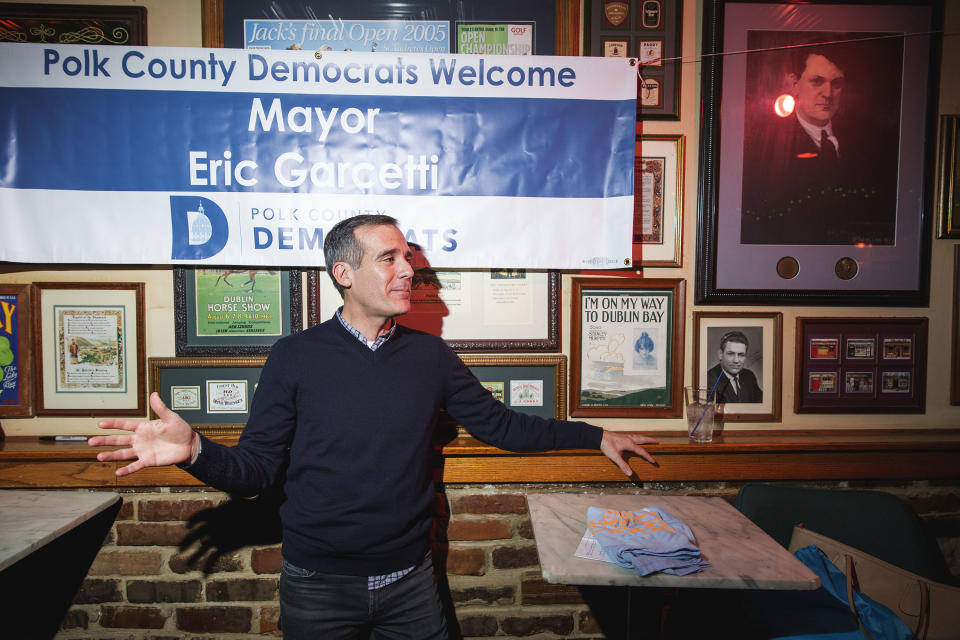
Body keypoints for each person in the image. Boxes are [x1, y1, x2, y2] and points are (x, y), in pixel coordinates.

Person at [89, 214, 659, 640]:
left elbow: (503, 427)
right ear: (345, 272)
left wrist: (595, 434)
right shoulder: (295, 356)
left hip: (412, 585)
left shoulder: (430, 356)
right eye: (389, 258)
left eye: (407, 257)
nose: (408, 269)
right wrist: (195, 451)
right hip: (318, 589)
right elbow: (255, 470)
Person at [740, 45, 897, 245]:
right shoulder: (763, 145)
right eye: (817, 82)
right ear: (794, 84)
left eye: (837, 84)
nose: (828, 94)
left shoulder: (872, 141)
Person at [706, 330, 762, 403]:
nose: (736, 360)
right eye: (731, 354)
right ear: (720, 354)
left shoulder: (749, 376)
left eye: (741, 355)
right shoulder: (709, 380)